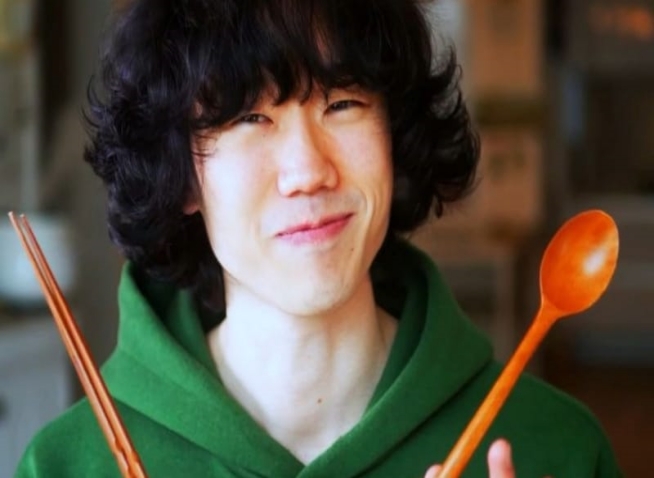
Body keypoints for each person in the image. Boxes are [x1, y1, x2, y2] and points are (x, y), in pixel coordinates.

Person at [16, 0, 622, 476]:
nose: (308, 170)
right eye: (250, 118)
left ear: (394, 134)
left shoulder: (557, 448)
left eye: (343, 104)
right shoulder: (68, 465)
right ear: (181, 177)